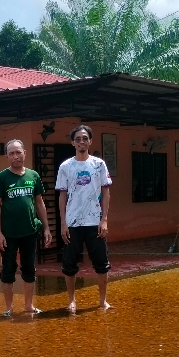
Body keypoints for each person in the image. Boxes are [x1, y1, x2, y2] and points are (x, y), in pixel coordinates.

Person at [0, 139, 52, 316]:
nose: (15, 156)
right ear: (7, 156)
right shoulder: (1, 178)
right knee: (8, 269)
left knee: (29, 269)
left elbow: (40, 203)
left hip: (30, 231)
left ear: (24, 152)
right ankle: (9, 308)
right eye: (11, 153)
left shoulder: (33, 176)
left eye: (18, 152)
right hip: (8, 233)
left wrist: (47, 227)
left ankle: (28, 306)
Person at [56, 124, 112, 313]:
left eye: (85, 138)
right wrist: (63, 223)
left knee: (102, 264)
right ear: (73, 142)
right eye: (78, 139)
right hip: (73, 222)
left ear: (90, 141)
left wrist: (104, 219)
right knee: (69, 264)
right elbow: (62, 196)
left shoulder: (98, 165)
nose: (82, 141)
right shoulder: (66, 166)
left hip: (94, 222)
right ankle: (72, 300)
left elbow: (106, 192)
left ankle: (102, 300)